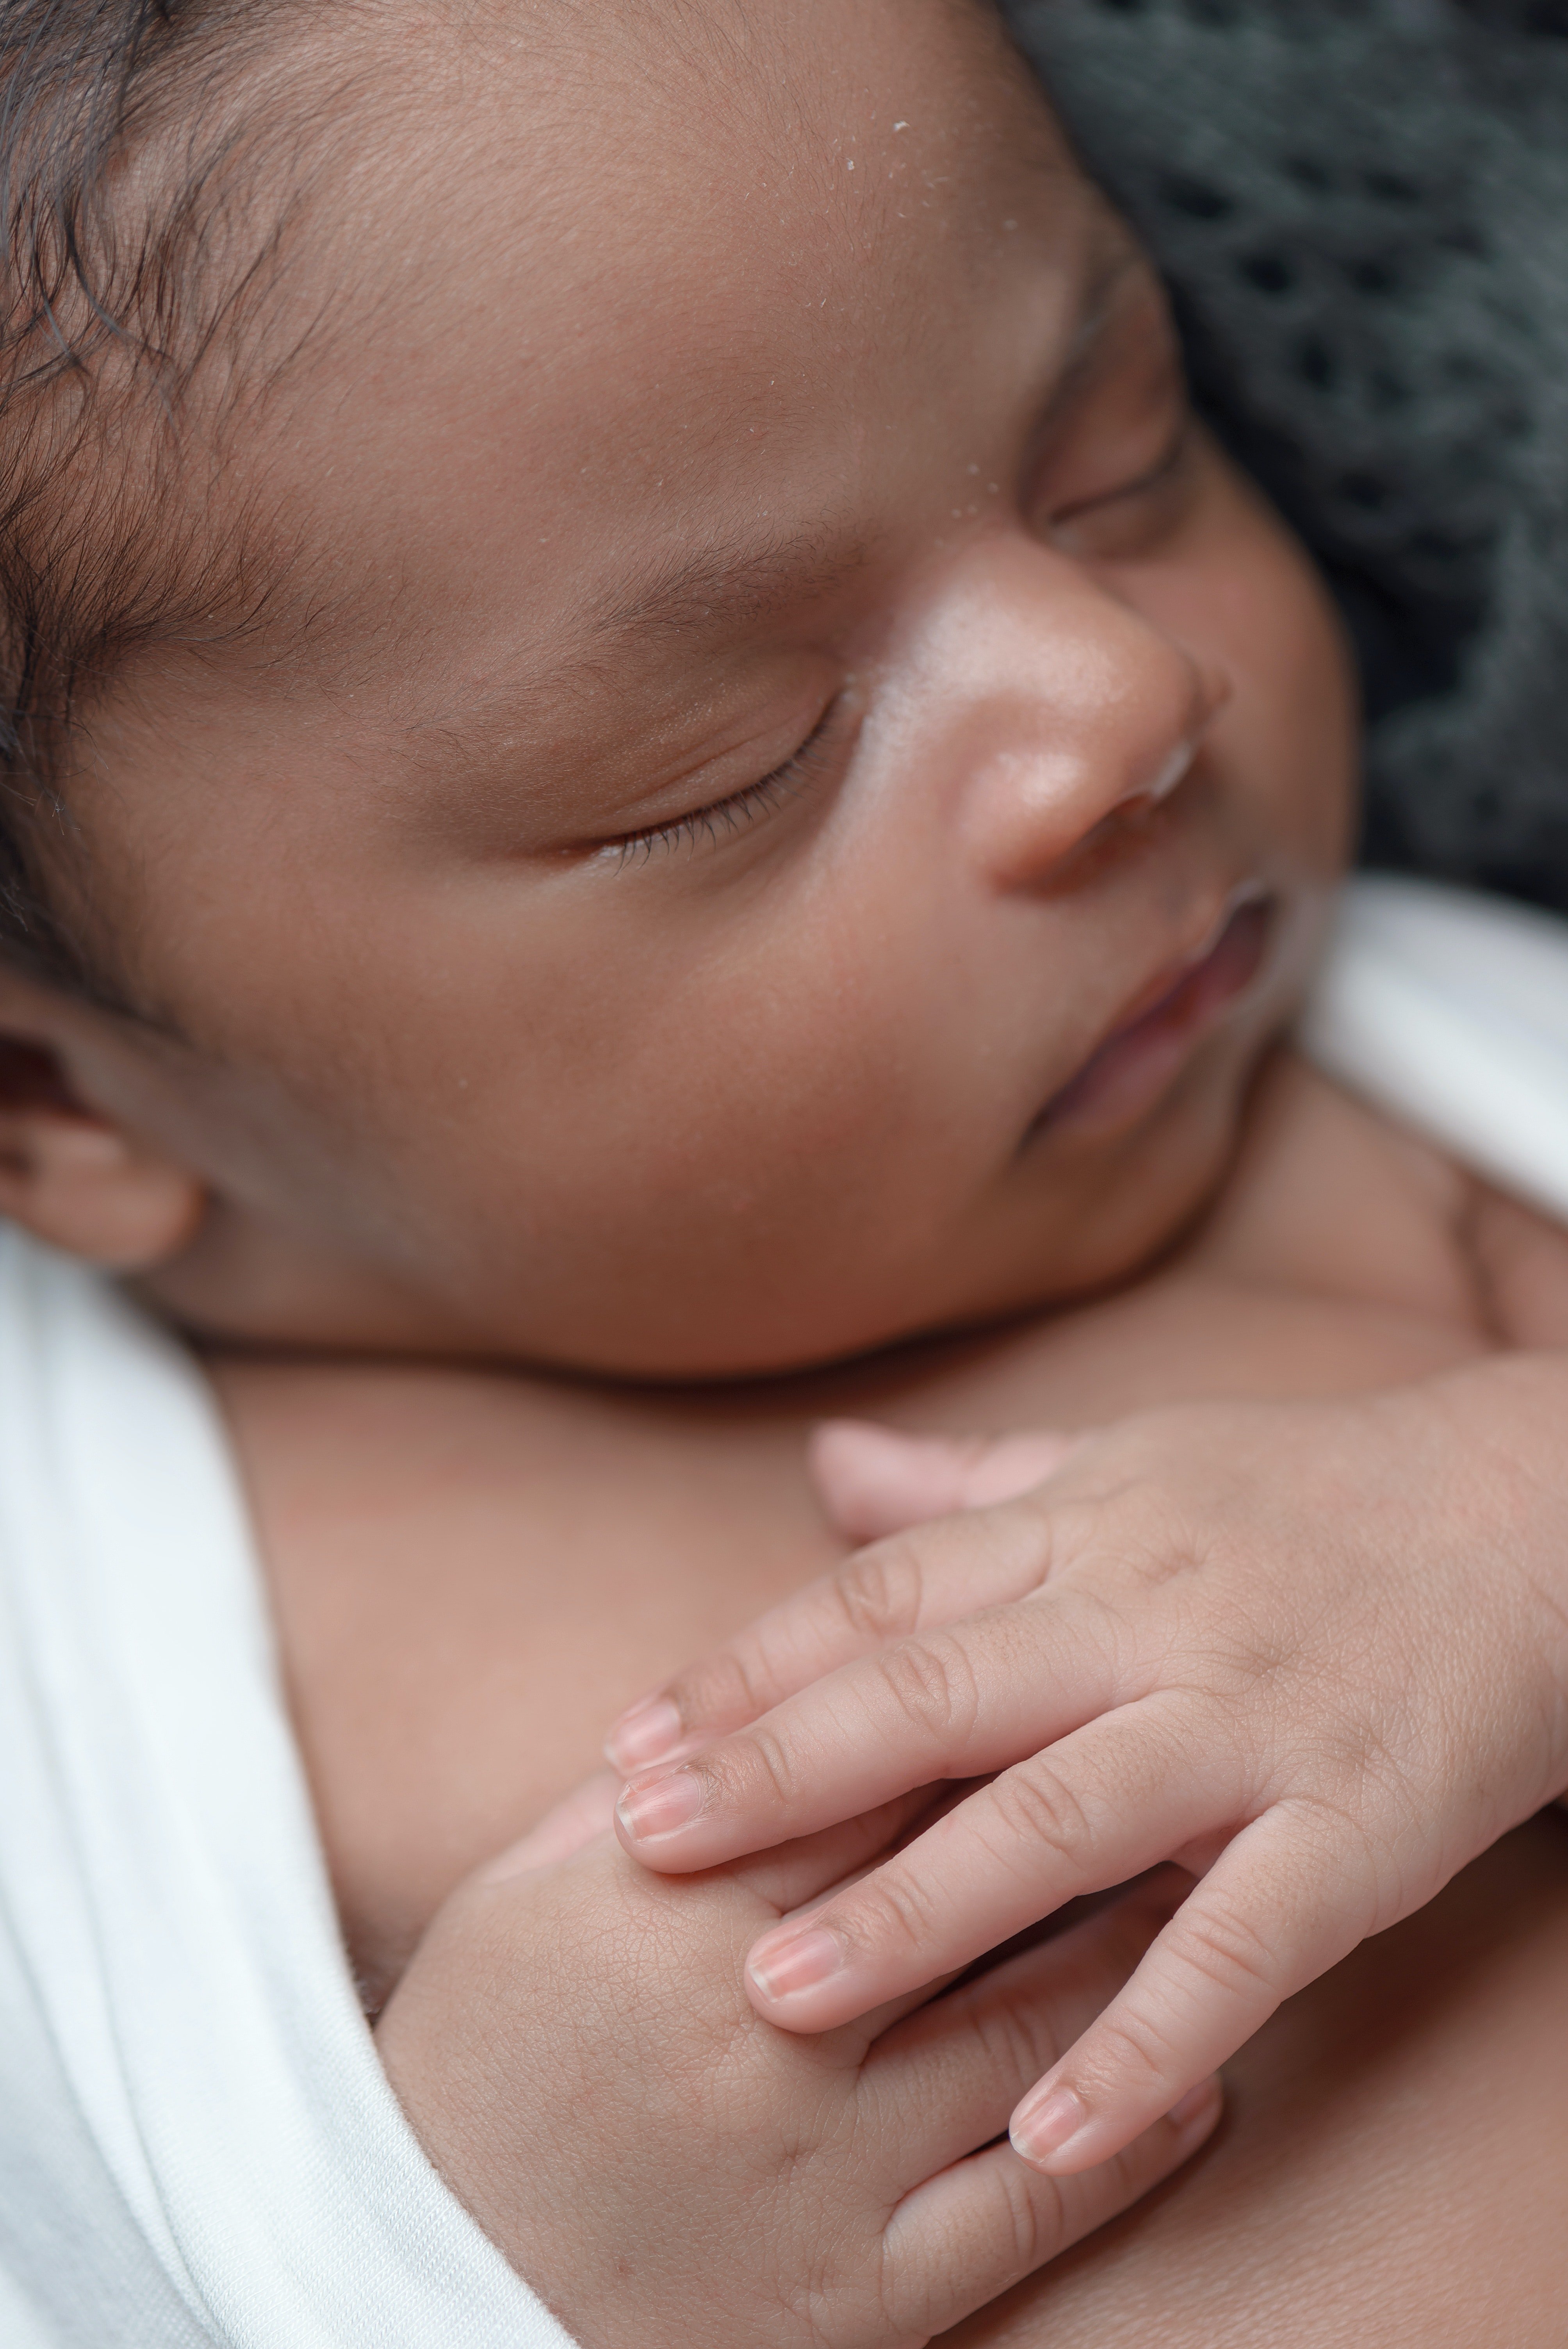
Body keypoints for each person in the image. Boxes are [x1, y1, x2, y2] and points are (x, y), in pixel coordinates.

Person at [0, 0, 1564, 2342]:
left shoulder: (1416, 1079)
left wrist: (1506, 1533)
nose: (1124, 696)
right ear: (70, 1111)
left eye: (1119, 454)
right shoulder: (68, 1723)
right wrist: (481, 2282)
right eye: (730, 761)